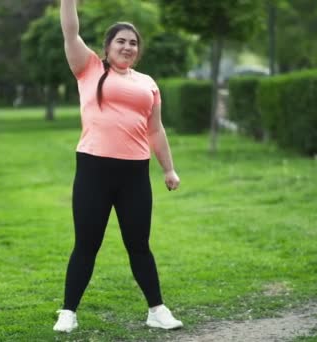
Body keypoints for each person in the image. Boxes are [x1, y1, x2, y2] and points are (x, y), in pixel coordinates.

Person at [54, 0, 183, 333]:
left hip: (135, 174)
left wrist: (168, 169)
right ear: (108, 47)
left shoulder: (148, 83)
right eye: (121, 41)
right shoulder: (89, 68)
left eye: (133, 42)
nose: (128, 46)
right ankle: (68, 312)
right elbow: (70, 30)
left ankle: (157, 310)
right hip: (94, 170)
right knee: (87, 244)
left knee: (139, 245)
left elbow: (155, 129)